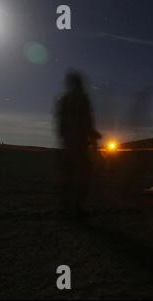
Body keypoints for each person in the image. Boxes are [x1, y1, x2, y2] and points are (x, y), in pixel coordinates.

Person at [55, 71, 100, 216]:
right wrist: (93, 139)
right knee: (82, 175)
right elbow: (87, 120)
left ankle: (65, 207)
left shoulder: (64, 99)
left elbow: (60, 124)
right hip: (79, 145)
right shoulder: (82, 99)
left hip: (68, 145)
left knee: (67, 176)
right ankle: (77, 207)